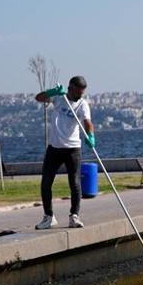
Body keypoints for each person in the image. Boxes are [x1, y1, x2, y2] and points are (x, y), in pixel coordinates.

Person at [34, 76, 95, 229]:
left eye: (82, 92)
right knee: (46, 182)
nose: (80, 95)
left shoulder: (82, 104)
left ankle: (74, 216)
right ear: (70, 88)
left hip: (73, 149)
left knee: (75, 183)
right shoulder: (59, 98)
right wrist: (52, 91)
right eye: (78, 91)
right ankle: (48, 217)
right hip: (54, 148)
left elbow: (87, 122)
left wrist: (91, 136)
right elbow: (38, 98)